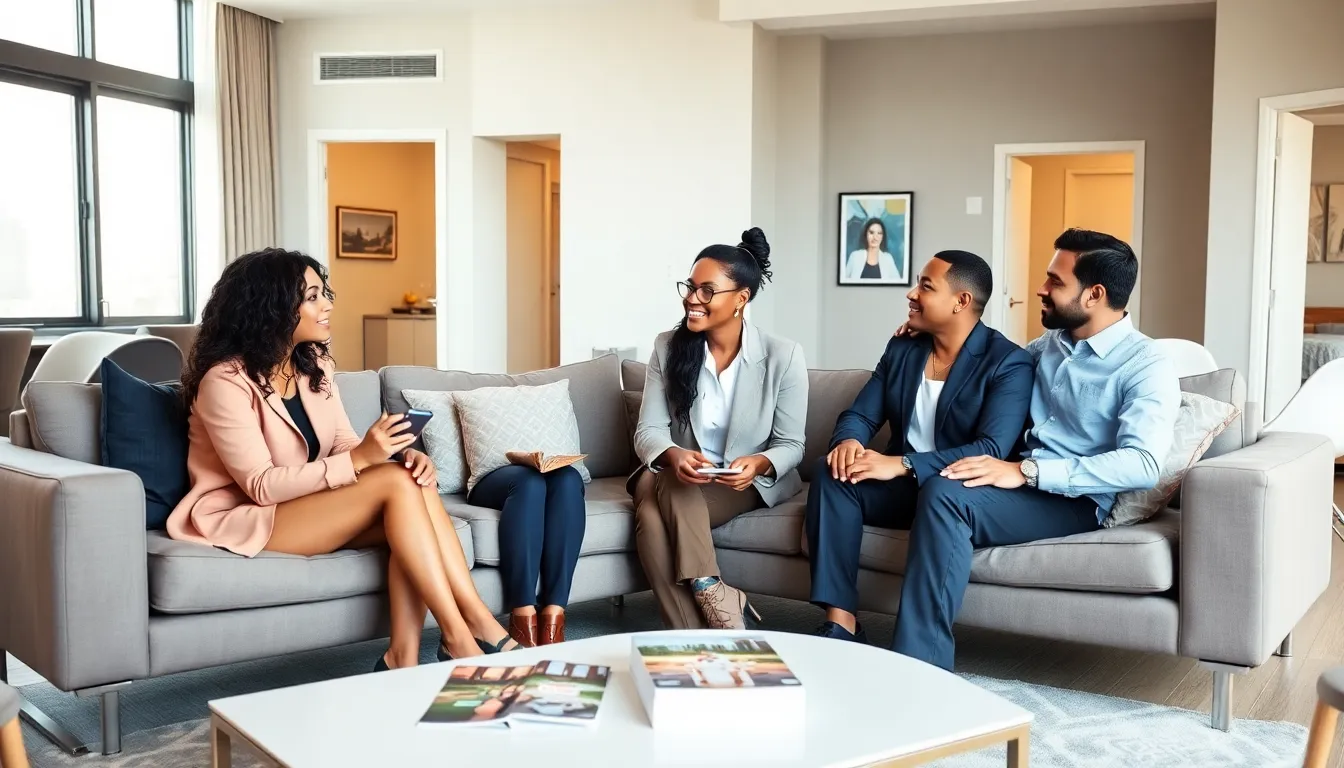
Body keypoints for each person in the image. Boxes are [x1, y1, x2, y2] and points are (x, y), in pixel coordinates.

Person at [167, 247, 519, 672]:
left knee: (409, 483)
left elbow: (343, 444)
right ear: (273, 308)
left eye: (324, 293)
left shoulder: (313, 364)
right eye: (313, 296)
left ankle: (403, 658)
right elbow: (260, 485)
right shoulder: (225, 382)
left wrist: (398, 454)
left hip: (304, 505)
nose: (328, 305)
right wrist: (362, 460)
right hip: (247, 515)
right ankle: (464, 634)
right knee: (394, 485)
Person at [888, 228, 1180, 670]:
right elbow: (982, 364)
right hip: (1014, 486)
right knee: (942, 482)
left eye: (1055, 281)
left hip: (1075, 501)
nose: (1040, 289)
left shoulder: (1147, 364)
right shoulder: (1045, 348)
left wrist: (1027, 473)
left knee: (946, 495)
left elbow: (1143, 464)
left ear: (1094, 294)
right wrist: (927, 332)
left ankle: (919, 670)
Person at [806, 250, 1034, 644]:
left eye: (926, 286)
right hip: (902, 491)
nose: (912, 293)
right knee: (834, 472)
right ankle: (841, 622)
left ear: (961, 302)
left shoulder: (1008, 363)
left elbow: (991, 447)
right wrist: (848, 442)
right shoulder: (904, 349)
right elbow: (861, 413)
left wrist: (903, 463)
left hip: (957, 493)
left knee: (937, 493)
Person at [630, 228, 808, 630]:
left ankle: (690, 630)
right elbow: (649, 431)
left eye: (707, 291)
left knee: (650, 495)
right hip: (682, 476)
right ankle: (714, 602)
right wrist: (675, 454)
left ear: (741, 299)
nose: (692, 299)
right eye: (690, 287)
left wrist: (760, 463)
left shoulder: (783, 355)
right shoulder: (668, 346)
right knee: (665, 481)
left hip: (739, 484)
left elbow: (792, 443)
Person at [466, 458, 585, 647]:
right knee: (529, 482)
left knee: (569, 478)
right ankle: (523, 620)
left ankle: (553, 621)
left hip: (548, 469)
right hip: (493, 477)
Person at [844, 217, 902, 282]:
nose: (875, 237)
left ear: (883, 236)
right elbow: (844, 284)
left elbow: (898, 284)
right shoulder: (855, 256)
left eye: (879, 233)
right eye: (871, 232)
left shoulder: (888, 259)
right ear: (866, 234)